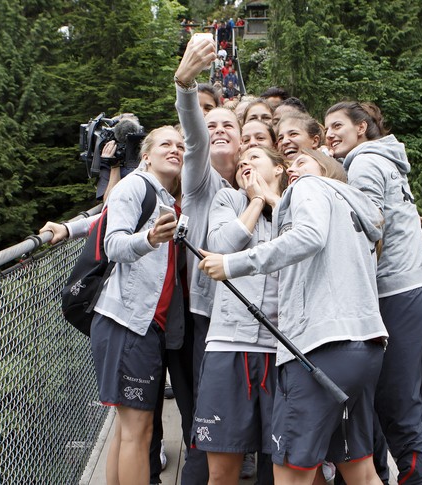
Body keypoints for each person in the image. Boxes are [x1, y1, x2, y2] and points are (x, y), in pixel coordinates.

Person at [199, 148, 389, 485]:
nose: (293, 169)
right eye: (290, 166)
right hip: (366, 347)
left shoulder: (308, 188)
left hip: (319, 350)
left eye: (302, 161)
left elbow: (308, 237)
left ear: (326, 170)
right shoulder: (354, 207)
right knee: (360, 470)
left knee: (290, 473)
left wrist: (231, 264)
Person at [325, 102, 422, 485]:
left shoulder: (364, 163)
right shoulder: (386, 158)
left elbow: (370, 224)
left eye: (337, 126)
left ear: (362, 128)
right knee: (417, 405)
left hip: (397, 295)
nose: (330, 134)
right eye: (326, 128)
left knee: (396, 408)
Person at [90, 125, 184, 485]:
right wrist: (148, 239)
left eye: (179, 145)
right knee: (138, 431)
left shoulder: (164, 196)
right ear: (146, 155)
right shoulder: (134, 187)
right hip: (128, 322)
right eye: (165, 144)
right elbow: (113, 244)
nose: (174, 149)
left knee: (128, 428)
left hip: (143, 324)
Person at [193, 146, 288, 484]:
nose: (245, 164)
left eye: (255, 158)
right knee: (221, 472)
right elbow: (219, 248)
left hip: (284, 349)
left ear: (279, 169)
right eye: (241, 161)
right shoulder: (229, 200)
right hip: (228, 343)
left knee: (286, 469)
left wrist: (272, 200)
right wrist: (255, 201)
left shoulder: (297, 202)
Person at [174, 33, 242, 485]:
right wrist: (185, 85)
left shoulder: (258, 188)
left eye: (227, 127)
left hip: (259, 321)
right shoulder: (200, 183)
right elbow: (195, 141)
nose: (216, 131)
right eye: (210, 123)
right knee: (207, 418)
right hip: (207, 317)